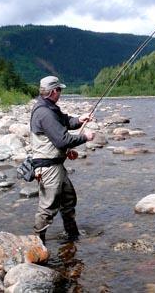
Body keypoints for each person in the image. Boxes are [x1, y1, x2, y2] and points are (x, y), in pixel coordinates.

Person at [30, 75, 95, 244]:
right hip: (48, 167)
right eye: (59, 90)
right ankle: (37, 243)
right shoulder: (44, 113)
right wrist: (85, 137)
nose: (61, 92)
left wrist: (79, 120)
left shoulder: (50, 108)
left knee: (68, 199)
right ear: (53, 92)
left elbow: (65, 121)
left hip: (56, 165)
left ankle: (72, 235)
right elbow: (62, 140)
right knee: (48, 207)